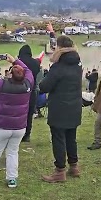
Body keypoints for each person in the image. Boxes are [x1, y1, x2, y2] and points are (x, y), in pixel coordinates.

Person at [0, 54, 33, 188]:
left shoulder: (1, 85)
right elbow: (29, 71)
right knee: (13, 152)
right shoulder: (28, 84)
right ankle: (12, 179)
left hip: (2, 126)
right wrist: (15, 60)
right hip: (19, 126)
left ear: (10, 74)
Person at [39, 35, 83, 182]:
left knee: (58, 138)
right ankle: (74, 166)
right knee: (71, 137)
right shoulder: (78, 66)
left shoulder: (58, 68)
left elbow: (44, 86)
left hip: (59, 108)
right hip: (74, 107)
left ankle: (59, 171)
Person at [18, 44, 41, 143]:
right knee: (29, 113)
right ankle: (27, 134)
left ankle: (18, 133)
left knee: (18, 113)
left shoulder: (19, 62)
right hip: (32, 89)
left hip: (19, 89)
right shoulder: (36, 63)